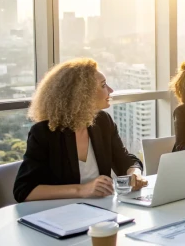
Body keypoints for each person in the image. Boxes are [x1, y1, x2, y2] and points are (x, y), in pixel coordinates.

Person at [14, 59, 147, 203]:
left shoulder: (102, 121)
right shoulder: (44, 133)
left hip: (101, 212)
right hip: (60, 215)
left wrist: (135, 174)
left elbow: (126, 160)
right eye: (103, 85)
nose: (110, 90)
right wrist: (82, 190)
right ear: (82, 95)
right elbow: (24, 190)